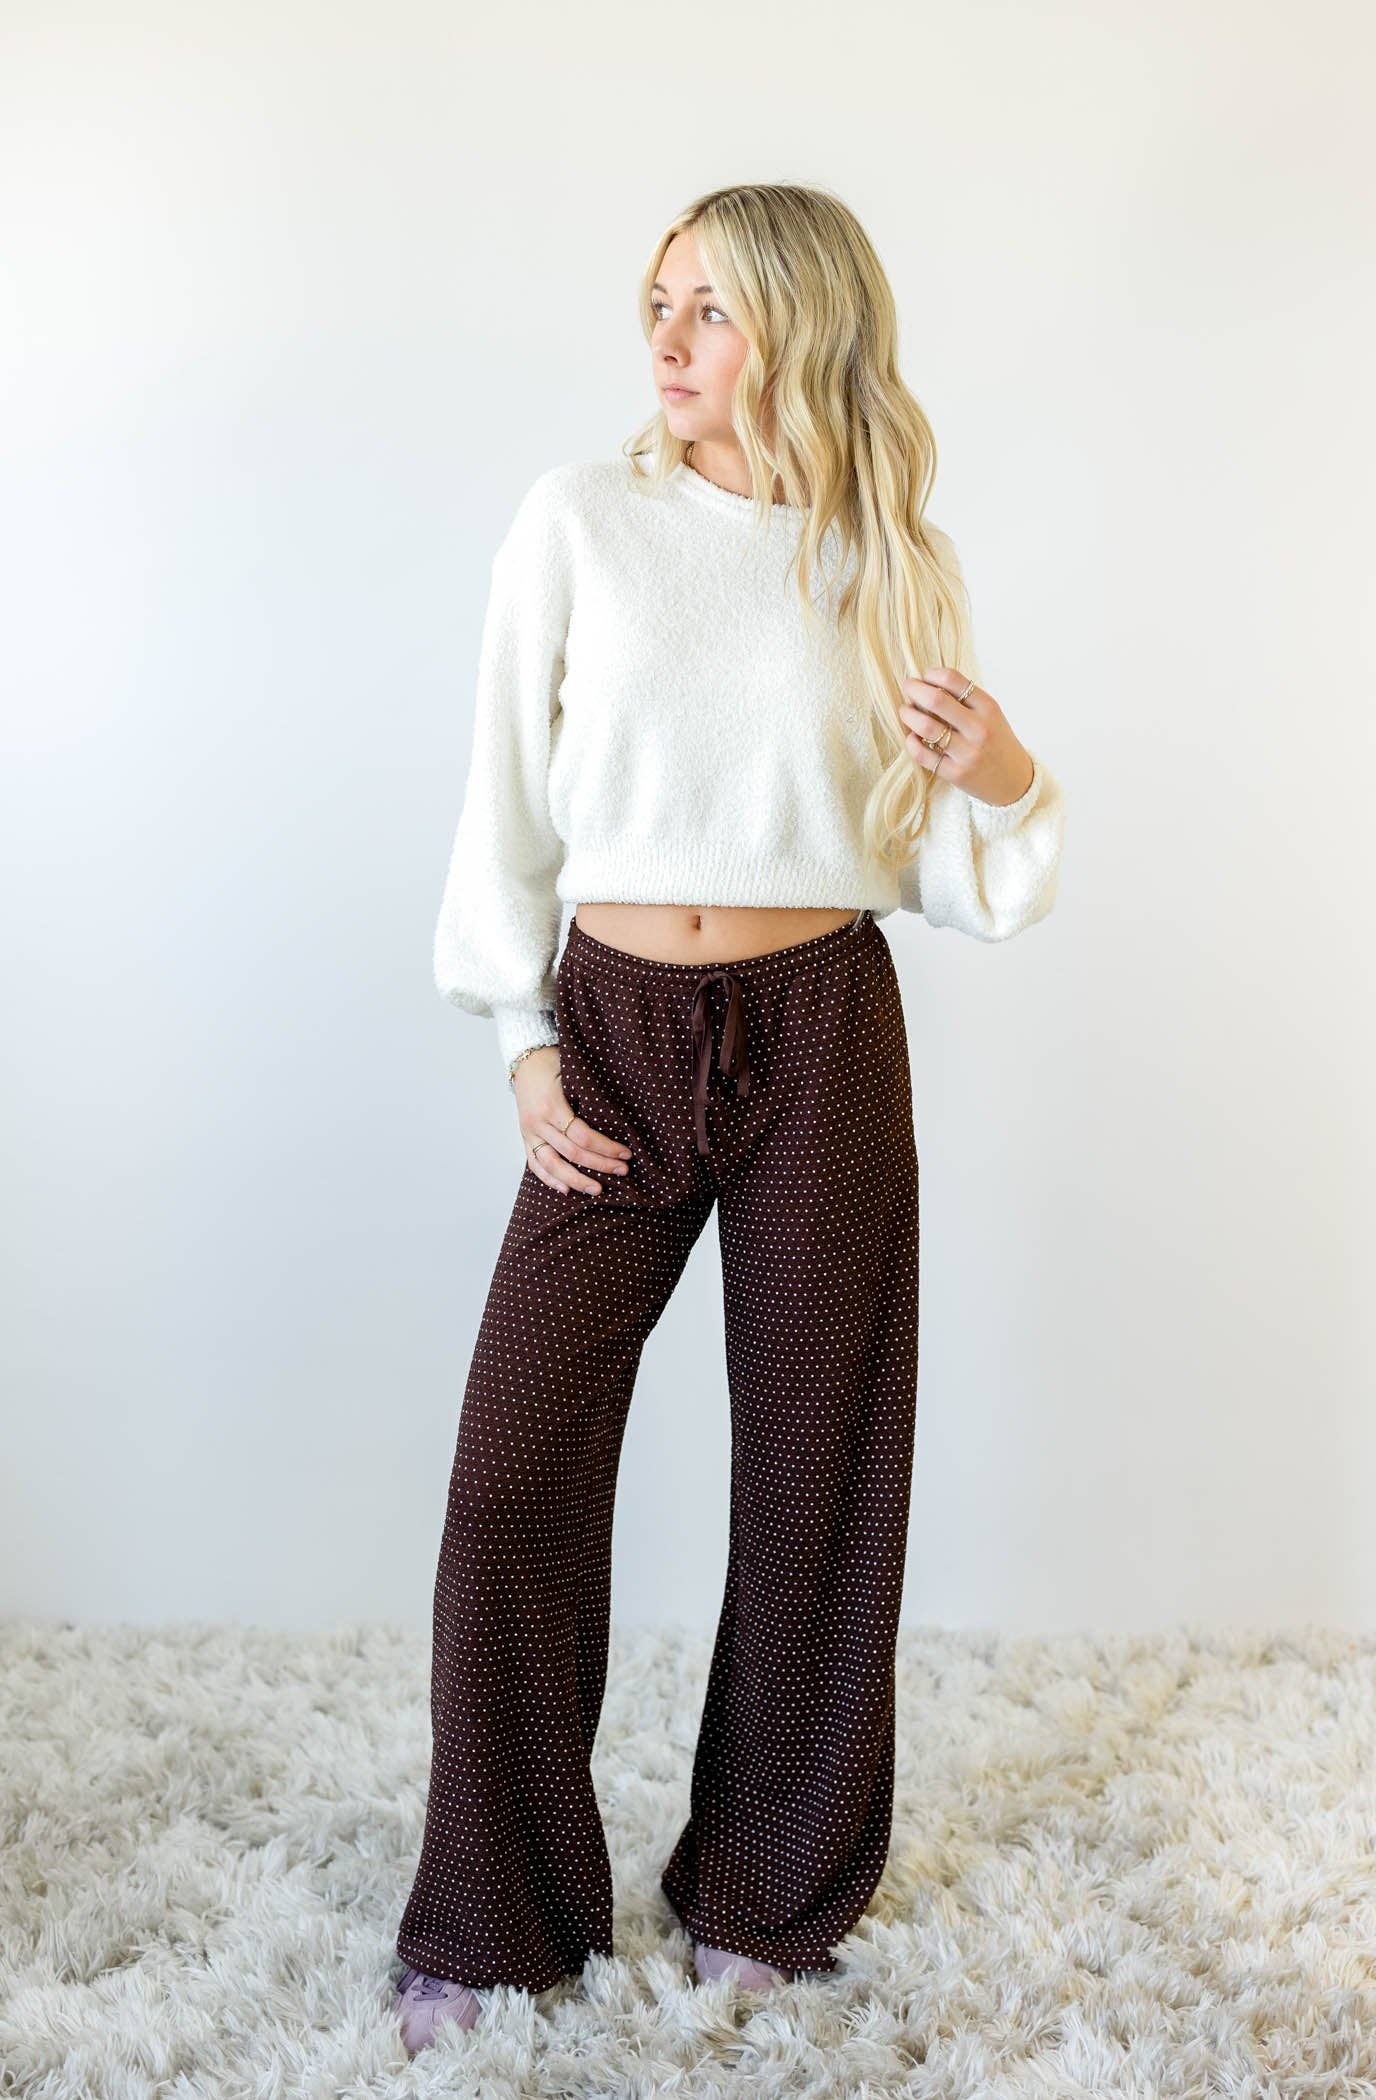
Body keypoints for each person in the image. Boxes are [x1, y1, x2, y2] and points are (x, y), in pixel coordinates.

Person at [394, 181, 1065, 2056]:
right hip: (610, 1030)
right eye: (659, 302)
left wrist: (1008, 770)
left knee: (819, 1475)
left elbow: (946, 860)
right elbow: (502, 795)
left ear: (803, 324)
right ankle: (495, 1915)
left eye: (712, 307)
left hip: (824, 1027)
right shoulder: (580, 521)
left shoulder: (887, 559)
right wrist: (522, 1038)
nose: (668, 339)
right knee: (514, 1476)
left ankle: (769, 1895)